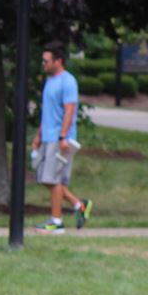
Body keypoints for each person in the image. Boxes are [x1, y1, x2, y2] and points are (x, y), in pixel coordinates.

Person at [31, 42, 91, 232]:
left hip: (59, 138)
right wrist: (38, 135)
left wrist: (63, 137)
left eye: (46, 61)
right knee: (45, 177)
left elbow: (69, 111)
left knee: (53, 179)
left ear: (58, 61)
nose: (43, 64)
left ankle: (56, 222)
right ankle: (79, 205)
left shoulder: (68, 81)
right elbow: (48, 113)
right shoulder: (49, 81)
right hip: (47, 137)